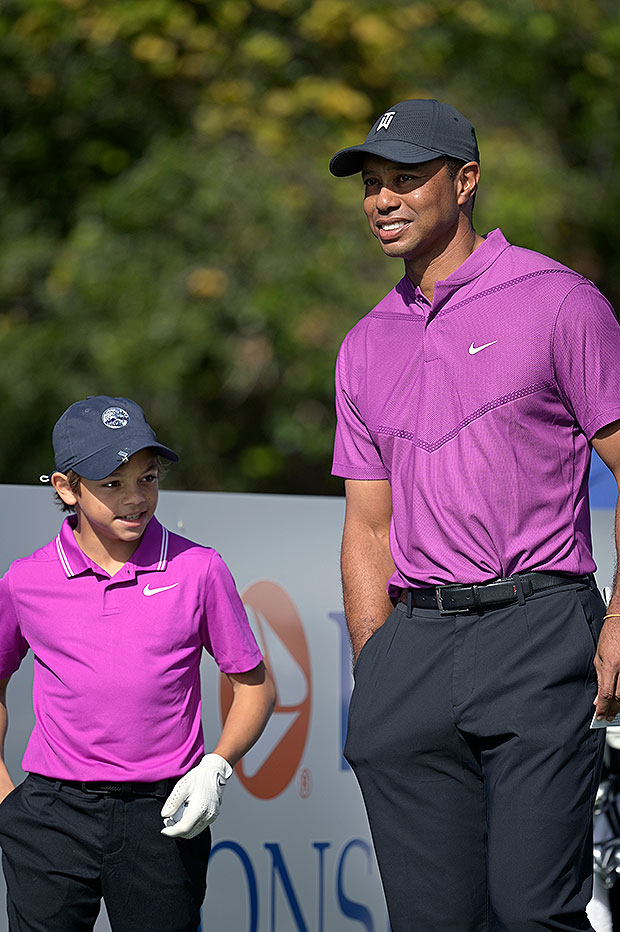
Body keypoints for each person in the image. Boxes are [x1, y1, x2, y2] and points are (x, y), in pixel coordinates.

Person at [329, 98, 620, 931]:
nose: (383, 200)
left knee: (531, 915)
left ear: (465, 182)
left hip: (538, 627)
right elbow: (367, 526)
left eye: (406, 180)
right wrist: (376, 662)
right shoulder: (364, 342)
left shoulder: (560, 301)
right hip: (412, 646)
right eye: (372, 184)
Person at [0, 395, 275, 932]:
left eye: (147, 479)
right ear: (65, 488)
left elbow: (255, 687)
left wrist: (216, 768)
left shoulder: (200, 568)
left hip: (162, 814)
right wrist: (6, 800)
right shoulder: (25, 580)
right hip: (49, 816)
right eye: (112, 485)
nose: (135, 499)